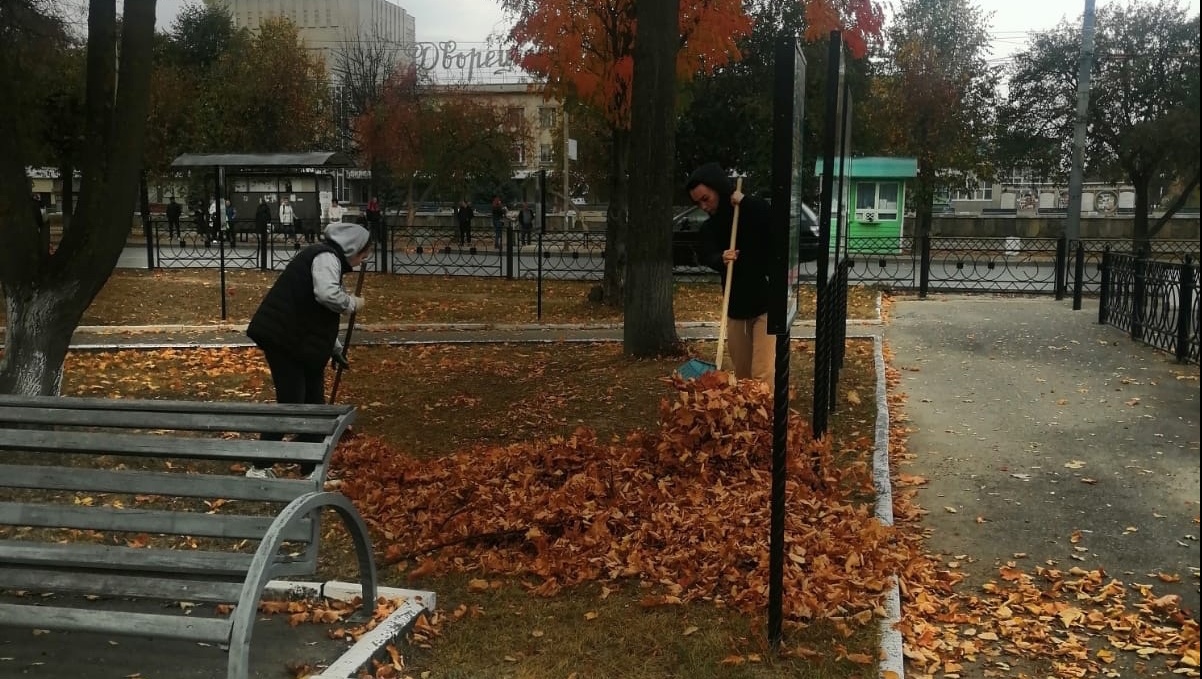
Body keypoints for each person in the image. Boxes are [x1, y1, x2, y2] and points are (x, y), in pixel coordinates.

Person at [244, 221, 373, 479]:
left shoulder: (330, 259)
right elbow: (327, 296)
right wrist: (352, 303)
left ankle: (310, 466)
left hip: (301, 342)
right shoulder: (325, 257)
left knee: (315, 405)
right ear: (352, 248)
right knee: (293, 404)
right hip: (283, 339)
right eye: (363, 254)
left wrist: (333, 347)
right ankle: (258, 467)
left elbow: (320, 315)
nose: (364, 260)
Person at [686, 162, 775, 390]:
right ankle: (748, 419)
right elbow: (706, 252)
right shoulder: (710, 228)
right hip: (735, 307)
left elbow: (772, 220)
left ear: (719, 189)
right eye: (698, 202)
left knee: (762, 373)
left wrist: (744, 201)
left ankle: (765, 422)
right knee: (744, 374)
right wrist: (720, 258)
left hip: (765, 304)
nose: (703, 206)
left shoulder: (748, 211)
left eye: (706, 198)